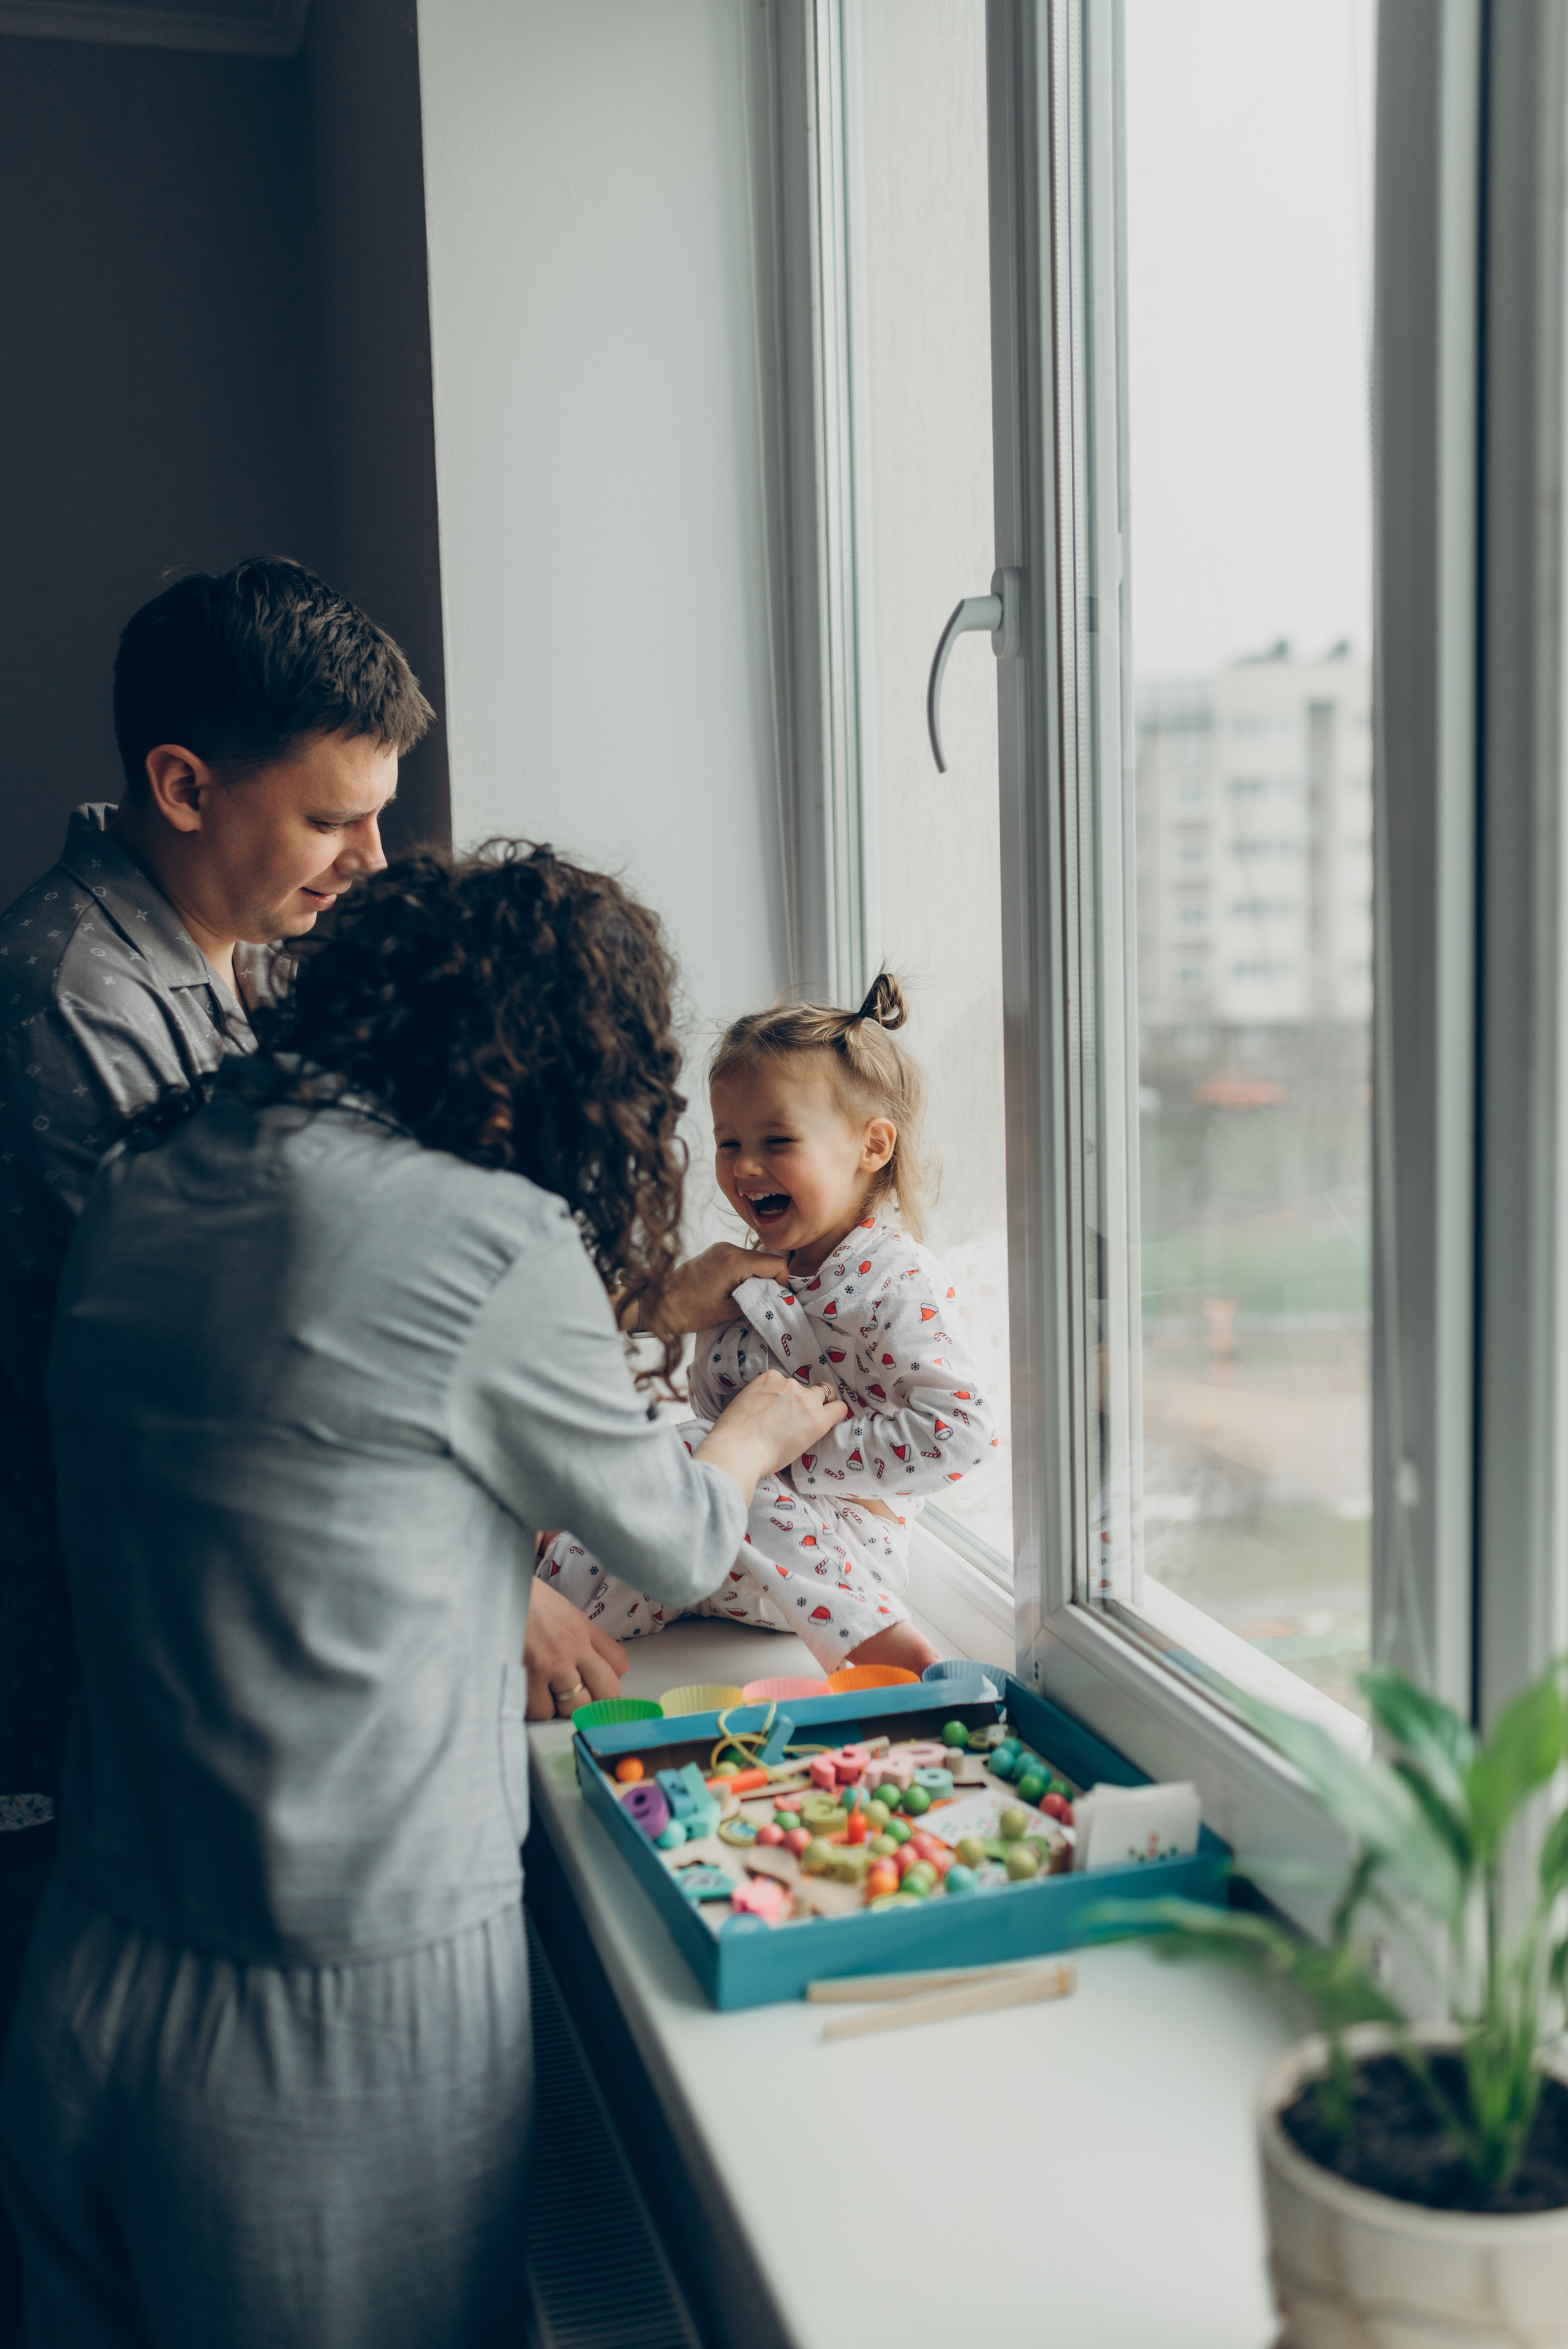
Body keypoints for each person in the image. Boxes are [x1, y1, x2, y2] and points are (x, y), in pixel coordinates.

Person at [0, 842, 843, 2348]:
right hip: (323, 2000)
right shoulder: (478, 1227)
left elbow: (307, 1458)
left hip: (89, 1951)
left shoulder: (163, 1172)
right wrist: (750, 1432)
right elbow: (665, 1540)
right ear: (543, 1068)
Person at [537, 975, 998, 1673]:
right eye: (728, 1144)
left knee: (689, 1451)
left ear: (873, 1146)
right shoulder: (742, 1278)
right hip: (726, 1544)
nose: (745, 1167)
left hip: (837, 1555)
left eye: (776, 1140)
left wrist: (780, 1451)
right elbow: (714, 1442)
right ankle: (537, 1602)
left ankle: (874, 1643)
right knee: (628, 1493)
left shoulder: (897, 1280)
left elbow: (961, 1435)